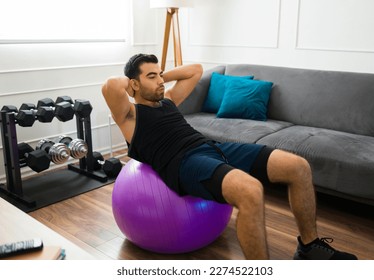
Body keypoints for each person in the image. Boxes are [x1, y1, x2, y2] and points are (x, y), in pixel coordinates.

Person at [102, 53, 357, 260]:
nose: (160, 81)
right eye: (151, 76)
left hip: (213, 148)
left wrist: (156, 77)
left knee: (298, 166)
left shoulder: (167, 101)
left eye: (160, 75)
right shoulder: (130, 117)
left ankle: (309, 247)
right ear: (133, 84)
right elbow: (111, 86)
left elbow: (196, 70)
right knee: (251, 191)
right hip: (184, 163)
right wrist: (135, 82)